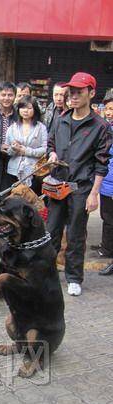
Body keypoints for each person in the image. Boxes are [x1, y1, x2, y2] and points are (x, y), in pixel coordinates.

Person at [47, 72, 111, 296]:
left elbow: (101, 163)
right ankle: (47, 273)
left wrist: (94, 193)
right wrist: (52, 154)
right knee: (51, 231)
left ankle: (74, 277)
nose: (72, 96)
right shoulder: (61, 118)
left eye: (79, 92)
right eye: (71, 92)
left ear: (91, 93)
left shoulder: (100, 126)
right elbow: (51, 143)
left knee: (75, 234)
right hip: (57, 183)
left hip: (81, 188)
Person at [6, 95, 47, 192]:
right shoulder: (12, 128)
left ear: (34, 110)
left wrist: (26, 151)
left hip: (34, 171)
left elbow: (44, 149)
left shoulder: (41, 128)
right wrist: (13, 148)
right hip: (14, 170)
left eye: (29, 108)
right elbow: (8, 151)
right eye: (22, 107)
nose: (25, 111)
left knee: (32, 201)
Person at [97, 89, 113, 275]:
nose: (109, 112)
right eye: (107, 108)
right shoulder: (105, 128)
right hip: (105, 182)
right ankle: (106, 246)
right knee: (107, 217)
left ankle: (109, 252)